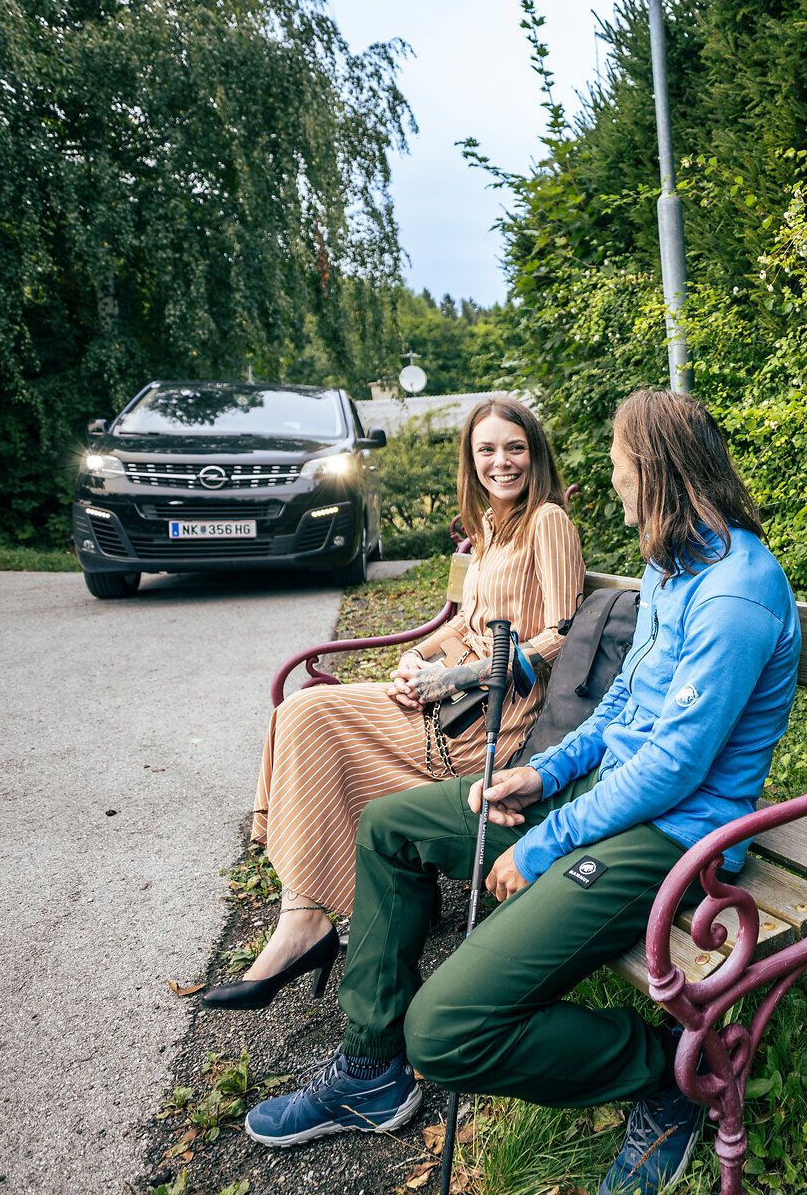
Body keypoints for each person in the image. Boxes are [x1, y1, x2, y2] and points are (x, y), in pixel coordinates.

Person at [243, 389, 802, 1195]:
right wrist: (544, 773)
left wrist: (546, 840)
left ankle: (674, 1076)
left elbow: (675, 767)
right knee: (389, 825)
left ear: (655, 472)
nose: (612, 485)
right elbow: (622, 711)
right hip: (608, 798)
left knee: (446, 1029)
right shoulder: (673, 566)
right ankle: (370, 1068)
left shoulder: (735, 593)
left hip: (675, 838)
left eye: (618, 469)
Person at [200, 396, 585, 1010]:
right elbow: (464, 620)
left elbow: (563, 634)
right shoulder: (486, 526)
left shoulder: (548, 522)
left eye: (514, 447)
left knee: (311, 716)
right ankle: (305, 916)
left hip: (490, 712)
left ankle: (310, 922)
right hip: (449, 693)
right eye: (486, 450)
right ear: (470, 459)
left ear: (535, 453)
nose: (501, 462)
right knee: (298, 712)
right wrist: (420, 658)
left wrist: (458, 677)